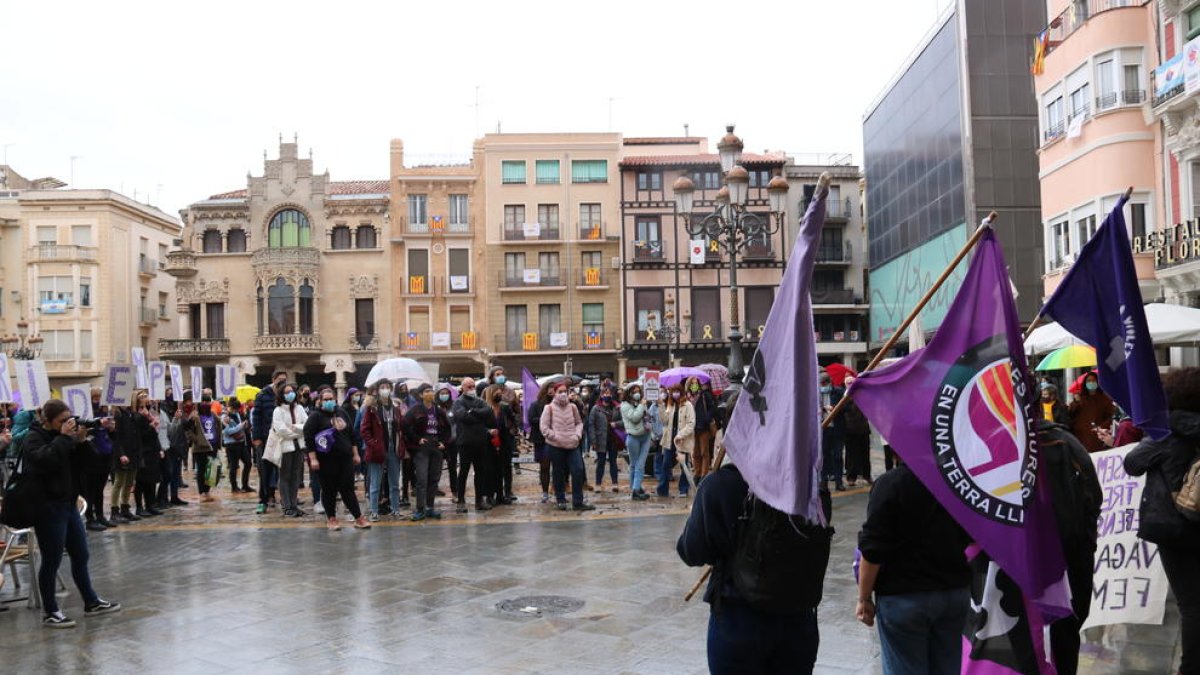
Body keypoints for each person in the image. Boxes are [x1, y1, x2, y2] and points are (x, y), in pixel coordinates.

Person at [676, 456, 830, 674]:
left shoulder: (720, 484)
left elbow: (691, 551)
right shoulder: (809, 485)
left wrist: (700, 513)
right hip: (797, 621)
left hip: (738, 620)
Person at [856, 457, 971, 675]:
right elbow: (972, 536)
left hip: (905, 598)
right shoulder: (957, 482)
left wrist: (864, 598)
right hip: (953, 593)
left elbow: (872, 552)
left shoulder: (891, 484)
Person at [1124, 367, 1200, 675]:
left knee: (1192, 604)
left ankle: (1191, 667)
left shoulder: (1165, 431)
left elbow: (1132, 464)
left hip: (1175, 529)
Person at [21, 399, 122, 627]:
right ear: (47, 421)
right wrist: (65, 438)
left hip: (68, 505)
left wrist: (81, 441)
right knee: (52, 560)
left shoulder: (67, 438)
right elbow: (44, 461)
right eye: (62, 421)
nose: (67, 424)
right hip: (47, 508)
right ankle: (51, 611)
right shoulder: (33, 438)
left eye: (69, 419)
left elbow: (91, 464)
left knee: (81, 554)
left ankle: (91, 601)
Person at [1038, 420, 1102, 675]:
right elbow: (1093, 498)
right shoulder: (1064, 441)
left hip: (1023, 562)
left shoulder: (995, 443)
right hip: (1069, 555)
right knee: (1065, 630)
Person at [304, 386, 369, 530]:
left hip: (345, 458)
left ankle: (358, 517)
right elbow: (308, 439)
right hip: (326, 460)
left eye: (331, 399)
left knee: (348, 488)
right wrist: (313, 459)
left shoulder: (341, 412)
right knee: (329, 490)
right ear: (320, 401)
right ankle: (331, 518)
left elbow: (352, 435)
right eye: (325, 400)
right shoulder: (315, 416)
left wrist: (356, 454)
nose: (328, 402)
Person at [540, 380, 594, 511]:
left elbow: (579, 423)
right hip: (556, 445)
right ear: (555, 393)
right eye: (560, 392)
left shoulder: (573, 407)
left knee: (578, 470)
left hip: (572, 444)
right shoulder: (549, 408)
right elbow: (544, 427)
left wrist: (577, 435)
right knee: (558, 473)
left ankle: (578, 501)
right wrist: (555, 436)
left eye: (565, 391)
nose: (563, 394)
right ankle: (561, 499)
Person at [403, 384, 451, 521]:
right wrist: (417, 439)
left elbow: (447, 428)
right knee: (422, 479)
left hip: (436, 445)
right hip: (422, 447)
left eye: (431, 391)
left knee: (434, 478)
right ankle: (420, 509)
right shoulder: (415, 410)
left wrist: (444, 442)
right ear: (420, 395)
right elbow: (406, 425)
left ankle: (430, 507)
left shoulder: (438, 410)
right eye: (426, 391)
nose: (430, 393)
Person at [360, 381, 407, 520]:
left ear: (391, 390)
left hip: (394, 448)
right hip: (377, 449)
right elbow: (364, 430)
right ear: (377, 390)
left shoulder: (396, 407)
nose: (385, 390)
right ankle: (374, 511)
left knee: (394, 482)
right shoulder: (372, 408)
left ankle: (395, 509)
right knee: (375, 482)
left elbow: (400, 428)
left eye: (387, 387)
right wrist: (373, 444)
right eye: (382, 387)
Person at [452, 377, 498, 513]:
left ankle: (479, 500)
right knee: (464, 472)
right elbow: (463, 417)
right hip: (465, 442)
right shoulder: (458, 402)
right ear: (463, 388)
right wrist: (479, 416)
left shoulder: (480, 401)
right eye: (468, 386)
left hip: (481, 441)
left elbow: (489, 412)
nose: (471, 388)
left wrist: (473, 412)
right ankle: (460, 501)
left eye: (473, 386)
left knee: (480, 472)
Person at [81, 388, 117, 530]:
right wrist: (97, 425)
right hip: (91, 456)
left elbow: (113, 437)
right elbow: (85, 432)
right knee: (90, 489)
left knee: (100, 489)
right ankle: (90, 517)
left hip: (105, 453)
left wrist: (112, 429)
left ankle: (100, 515)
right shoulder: (88, 413)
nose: (98, 401)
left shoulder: (105, 412)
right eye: (96, 398)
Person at [271, 383, 308, 517]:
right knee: (285, 476)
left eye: (291, 391)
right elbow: (281, 430)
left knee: (296, 476)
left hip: (299, 446)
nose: (290, 394)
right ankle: (287, 506)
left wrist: (296, 429)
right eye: (286, 392)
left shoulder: (299, 408)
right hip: (285, 448)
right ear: (281, 395)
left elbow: (307, 424)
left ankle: (294, 504)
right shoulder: (278, 410)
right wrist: (298, 432)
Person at [252, 370, 285, 514]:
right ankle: (263, 500)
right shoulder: (262, 395)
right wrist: (257, 438)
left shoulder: (285, 395)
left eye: (285, 380)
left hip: (283, 438)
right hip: (266, 439)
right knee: (265, 471)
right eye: (280, 380)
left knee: (282, 471)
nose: (282, 383)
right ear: (273, 379)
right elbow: (256, 417)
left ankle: (285, 498)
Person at [658, 384, 694, 498]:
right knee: (666, 464)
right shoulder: (670, 405)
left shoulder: (688, 405)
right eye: (673, 391)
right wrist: (660, 406)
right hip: (669, 438)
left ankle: (683, 489)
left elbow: (691, 423)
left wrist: (681, 434)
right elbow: (664, 420)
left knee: (684, 464)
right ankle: (662, 489)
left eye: (677, 391)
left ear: (681, 392)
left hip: (682, 439)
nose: (675, 394)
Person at [485, 383, 519, 504]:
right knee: (491, 469)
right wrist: (488, 431)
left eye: (500, 393)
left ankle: (503, 494)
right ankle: (490, 495)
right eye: (497, 393)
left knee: (504, 468)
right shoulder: (485, 407)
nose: (499, 394)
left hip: (505, 441)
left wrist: (513, 430)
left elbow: (513, 420)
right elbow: (481, 425)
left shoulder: (504, 407)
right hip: (489, 443)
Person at [131, 390, 163, 517]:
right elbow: (142, 435)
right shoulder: (137, 418)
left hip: (152, 452)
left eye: (147, 405)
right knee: (141, 482)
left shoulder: (147, 416)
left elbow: (154, 436)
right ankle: (140, 507)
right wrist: (151, 425)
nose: (145, 409)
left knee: (151, 481)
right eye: (143, 406)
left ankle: (150, 504)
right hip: (143, 452)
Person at [109, 401, 141, 522]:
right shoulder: (117, 414)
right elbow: (116, 437)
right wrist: (121, 453)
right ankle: (114, 510)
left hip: (133, 452)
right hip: (122, 453)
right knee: (118, 482)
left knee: (129, 482)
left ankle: (125, 507)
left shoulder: (130, 413)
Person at [1068, 371, 1115, 453]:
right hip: (1080, 436)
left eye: (1093, 381)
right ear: (1085, 383)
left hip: (1097, 436)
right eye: (1089, 381)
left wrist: (1101, 427)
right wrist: (1076, 402)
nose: (1091, 383)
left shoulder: (1104, 399)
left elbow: (1110, 416)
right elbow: (1071, 413)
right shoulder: (1080, 398)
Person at [621, 383, 652, 501]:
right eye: (634, 392)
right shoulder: (624, 405)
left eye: (638, 391)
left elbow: (646, 417)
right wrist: (641, 406)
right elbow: (634, 418)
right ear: (628, 393)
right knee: (637, 465)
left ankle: (635, 487)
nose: (637, 394)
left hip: (646, 436)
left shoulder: (641, 403)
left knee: (638, 465)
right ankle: (635, 490)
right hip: (633, 438)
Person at [841, 376, 872, 487]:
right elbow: (843, 409)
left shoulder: (862, 394)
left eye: (851, 382)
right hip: (850, 429)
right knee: (850, 455)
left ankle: (867, 475)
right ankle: (851, 477)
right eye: (848, 383)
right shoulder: (844, 395)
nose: (850, 384)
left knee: (865, 454)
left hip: (863, 428)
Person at [190, 397, 222, 503]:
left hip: (212, 446)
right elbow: (188, 431)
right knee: (202, 470)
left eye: (207, 401)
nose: (205, 403)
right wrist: (198, 440)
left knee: (211, 470)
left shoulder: (213, 414)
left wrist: (218, 440)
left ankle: (207, 491)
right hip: (200, 448)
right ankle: (201, 492)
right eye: (203, 401)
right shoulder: (195, 415)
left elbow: (219, 424)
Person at [819, 371, 847, 491]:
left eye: (825, 383)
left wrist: (835, 409)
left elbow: (847, 407)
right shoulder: (816, 393)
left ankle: (839, 481)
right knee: (823, 456)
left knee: (837, 455)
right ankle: (823, 482)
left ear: (830, 383)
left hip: (837, 429)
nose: (824, 386)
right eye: (822, 384)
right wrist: (823, 409)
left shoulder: (839, 392)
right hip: (823, 429)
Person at [589, 387, 621, 492]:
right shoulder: (596, 408)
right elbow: (591, 425)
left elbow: (624, 421)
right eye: (605, 393)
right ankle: (598, 484)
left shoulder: (617, 407)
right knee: (601, 462)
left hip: (613, 439)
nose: (608, 395)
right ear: (601, 395)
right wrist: (593, 440)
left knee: (613, 462)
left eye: (609, 393)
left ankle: (615, 483)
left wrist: (616, 424)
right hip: (600, 439)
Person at [528, 380, 554, 503]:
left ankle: (559, 489)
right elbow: (531, 419)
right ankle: (545, 492)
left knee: (559, 467)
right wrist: (546, 419)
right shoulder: (536, 404)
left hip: (557, 438)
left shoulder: (561, 404)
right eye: (550, 388)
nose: (552, 391)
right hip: (541, 439)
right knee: (544, 466)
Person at [691, 377, 719, 481]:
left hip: (704, 428)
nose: (694, 386)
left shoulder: (704, 395)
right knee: (695, 453)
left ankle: (703, 474)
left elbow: (713, 408)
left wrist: (706, 418)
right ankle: (697, 473)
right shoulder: (689, 397)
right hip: (693, 429)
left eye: (695, 383)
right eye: (692, 384)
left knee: (704, 452)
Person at [221, 399, 252, 493]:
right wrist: (240, 426)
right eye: (234, 409)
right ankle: (234, 487)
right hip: (231, 444)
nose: (236, 411)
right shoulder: (224, 417)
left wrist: (245, 426)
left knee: (248, 463)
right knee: (234, 466)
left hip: (241, 443)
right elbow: (227, 432)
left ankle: (245, 485)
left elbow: (242, 426)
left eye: (237, 409)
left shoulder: (238, 414)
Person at [435, 384, 459, 501]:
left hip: (452, 442)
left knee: (452, 467)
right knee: (436, 468)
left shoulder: (454, 406)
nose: (444, 395)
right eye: (442, 393)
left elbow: (455, 425)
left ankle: (455, 492)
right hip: (438, 442)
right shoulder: (435, 408)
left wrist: (452, 438)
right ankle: (434, 489)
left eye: (446, 393)